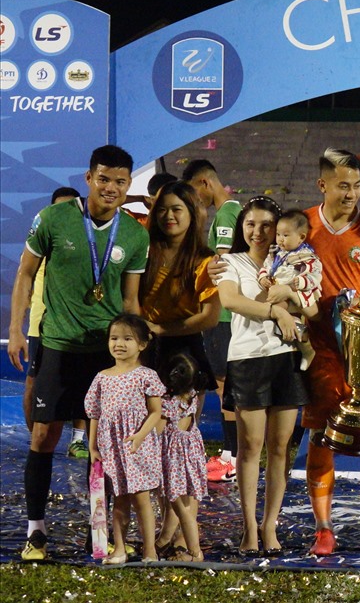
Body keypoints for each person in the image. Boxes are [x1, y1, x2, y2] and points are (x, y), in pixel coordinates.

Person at [8, 145, 149, 561]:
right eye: (103, 179)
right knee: (43, 435)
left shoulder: (135, 235)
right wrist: (16, 330)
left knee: (101, 444)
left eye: (120, 181)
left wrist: (134, 358)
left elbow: (131, 303)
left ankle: (99, 530)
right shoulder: (53, 218)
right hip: (56, 346)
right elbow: (25, 273)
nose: (111, 188)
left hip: (104, 356)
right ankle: (36, 532)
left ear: (127, 186)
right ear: (89, 178)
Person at [269, 148, 360, 558]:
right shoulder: (303, 226)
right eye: (343, 185)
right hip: (322, 351)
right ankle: (323, 528)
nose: (351, 194)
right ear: (322, 185)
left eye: (357, 186)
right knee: (321, 434)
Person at [216, 195, 315, 556]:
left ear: (279, 228)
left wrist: (293, 295)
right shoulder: (231, 261)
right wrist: (277, 312)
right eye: (250, 225)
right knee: (249, 448)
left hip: (286, 359)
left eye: (265, 225)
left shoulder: (295, 260)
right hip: (248, 360)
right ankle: (248, 528)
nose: (257, 232)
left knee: (279, 448)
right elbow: (231, 302)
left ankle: (269, 525)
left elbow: (312, 303)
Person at [138, 179, 221, 555]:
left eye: (178, 209)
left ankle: (184, 538)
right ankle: (168, 534)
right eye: (162, 209)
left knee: (177, 447)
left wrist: (160, 328)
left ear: (193, 214)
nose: (169, 216)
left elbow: (209, 316)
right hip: (145, 352)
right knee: (151, 445)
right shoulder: (143, 246)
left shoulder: (204, 259)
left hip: (184, 358)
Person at [84, 314, 164, 564]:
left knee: (141, 499)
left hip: (136, 447)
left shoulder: (146, 376)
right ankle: (119, 547)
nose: (119, 343)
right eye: (114, 338)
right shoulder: (102, 377)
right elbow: (94, 413)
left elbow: (156, 412)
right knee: (118, 501)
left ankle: (150, 549)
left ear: (142, 344)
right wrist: (93, 444)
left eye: (127, 338)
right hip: (111, 448)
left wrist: (140, 436)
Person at [184, 159, 242, 482]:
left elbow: (220, 266)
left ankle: (231, 457)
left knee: (224, 386)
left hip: (223, 314)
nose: (196, 200)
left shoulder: (226, 214)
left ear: (205, 183)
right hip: (226, 314)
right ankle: (232, 455)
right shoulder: (231, 212)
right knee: (225, 386)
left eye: (195, 191)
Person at [21, 187, 88, 459]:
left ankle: (79, 440)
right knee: (33, 384)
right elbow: (24, 278)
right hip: (42, 325)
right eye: (60, 208)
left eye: (71, 208)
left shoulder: (86, 244)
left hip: (79, 327)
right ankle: (34, 437)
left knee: (84, 386)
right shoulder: (42, 240)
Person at [157, 352, 208, 562]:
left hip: (173, 459)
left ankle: (195, 552)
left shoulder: (166, 403)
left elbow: (158, 430)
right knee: (180, 503)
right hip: (190, 455)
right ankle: (164, 540)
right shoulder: (193, 394)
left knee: (180, 506)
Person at [257, 209, 322, 369]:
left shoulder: (306, 256)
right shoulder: (276, 253)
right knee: (287, 319)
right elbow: (266, 266)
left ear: (301, 237)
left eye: (285, 235)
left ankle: (272, 339)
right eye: (278, 234)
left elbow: (314, 277)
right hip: (277, 290)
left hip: (298, 295)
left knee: (272, 310)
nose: (280, 239)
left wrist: (293, 286)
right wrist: (263, 277)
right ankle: (307, 349)